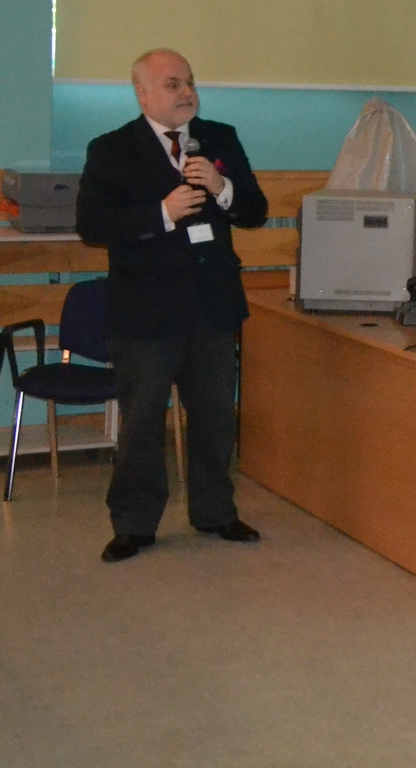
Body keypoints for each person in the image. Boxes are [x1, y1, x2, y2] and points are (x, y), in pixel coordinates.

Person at [76, 49, 270, 563]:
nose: (186, 92)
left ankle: (215, 512)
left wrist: (222, 188)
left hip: (212, 307)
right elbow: (92, 226)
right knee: (141, 422)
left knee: (215, 418)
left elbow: (255, 211)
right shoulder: (112, 149)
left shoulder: (220, 138)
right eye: (172, 84)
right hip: (145, 313)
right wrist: (161, 213)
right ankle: (134, 524)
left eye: (189, 82)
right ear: (143, 95)